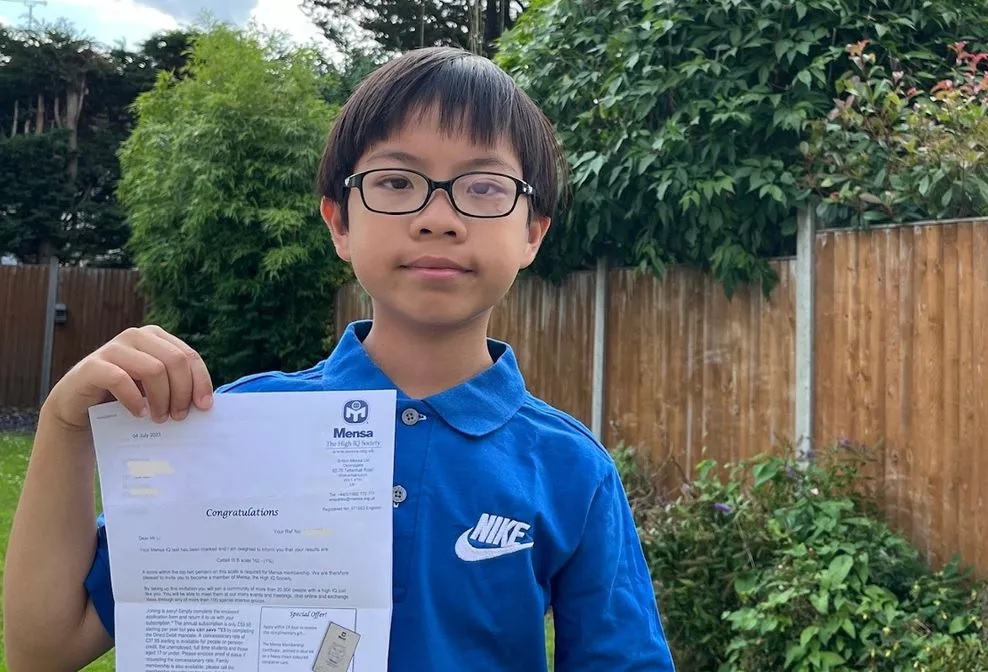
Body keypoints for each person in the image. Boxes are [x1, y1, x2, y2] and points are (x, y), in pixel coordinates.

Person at [3, 46, 677, 671]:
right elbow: (45, 648)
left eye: (483, 186)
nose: (438, 217)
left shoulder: (570, 466)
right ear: (339, 224)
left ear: (532, 233)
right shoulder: (233, 428)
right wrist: (64, 425)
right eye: (396, 181)